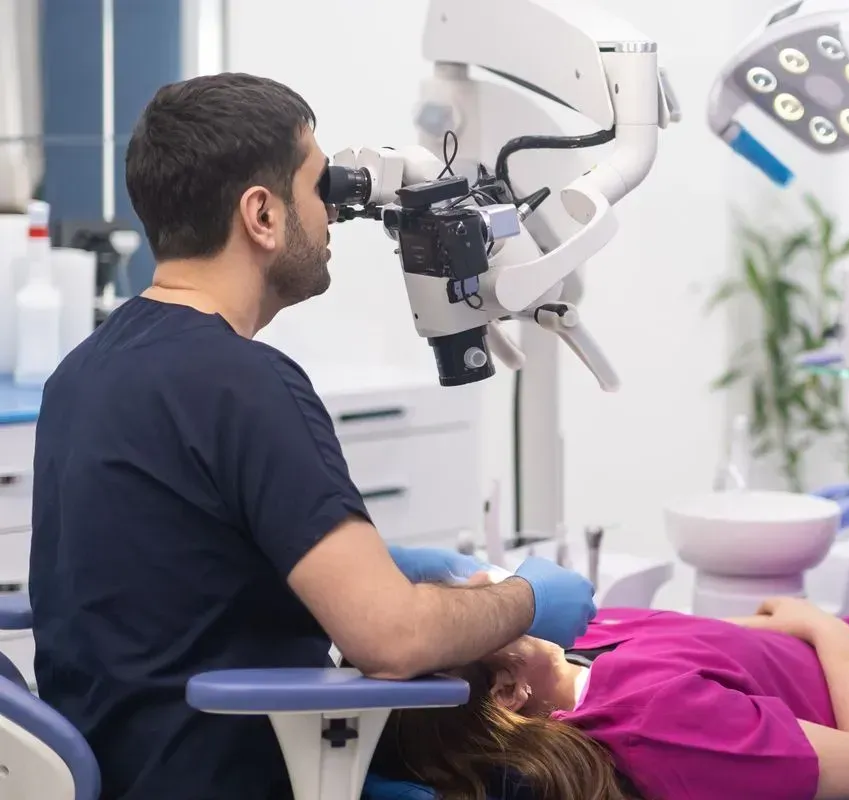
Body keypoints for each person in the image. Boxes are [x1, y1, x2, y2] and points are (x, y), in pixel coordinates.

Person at [26, 72, 596, 800]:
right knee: (575, 772)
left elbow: (168, 566)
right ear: (262, 214)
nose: (331, 217)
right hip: (229, 776)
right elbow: (392, 642)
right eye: (319, 188)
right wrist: (529, 598)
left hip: (125, 771)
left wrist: (383, 564)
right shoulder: (248, 384)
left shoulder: (82, 371)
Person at [367, 540, 849, 800]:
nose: (488, 591)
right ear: (512, 691)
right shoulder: (657, 722)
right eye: (487, 612)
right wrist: (827, 629)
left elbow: (712, 655)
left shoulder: (581, 648)